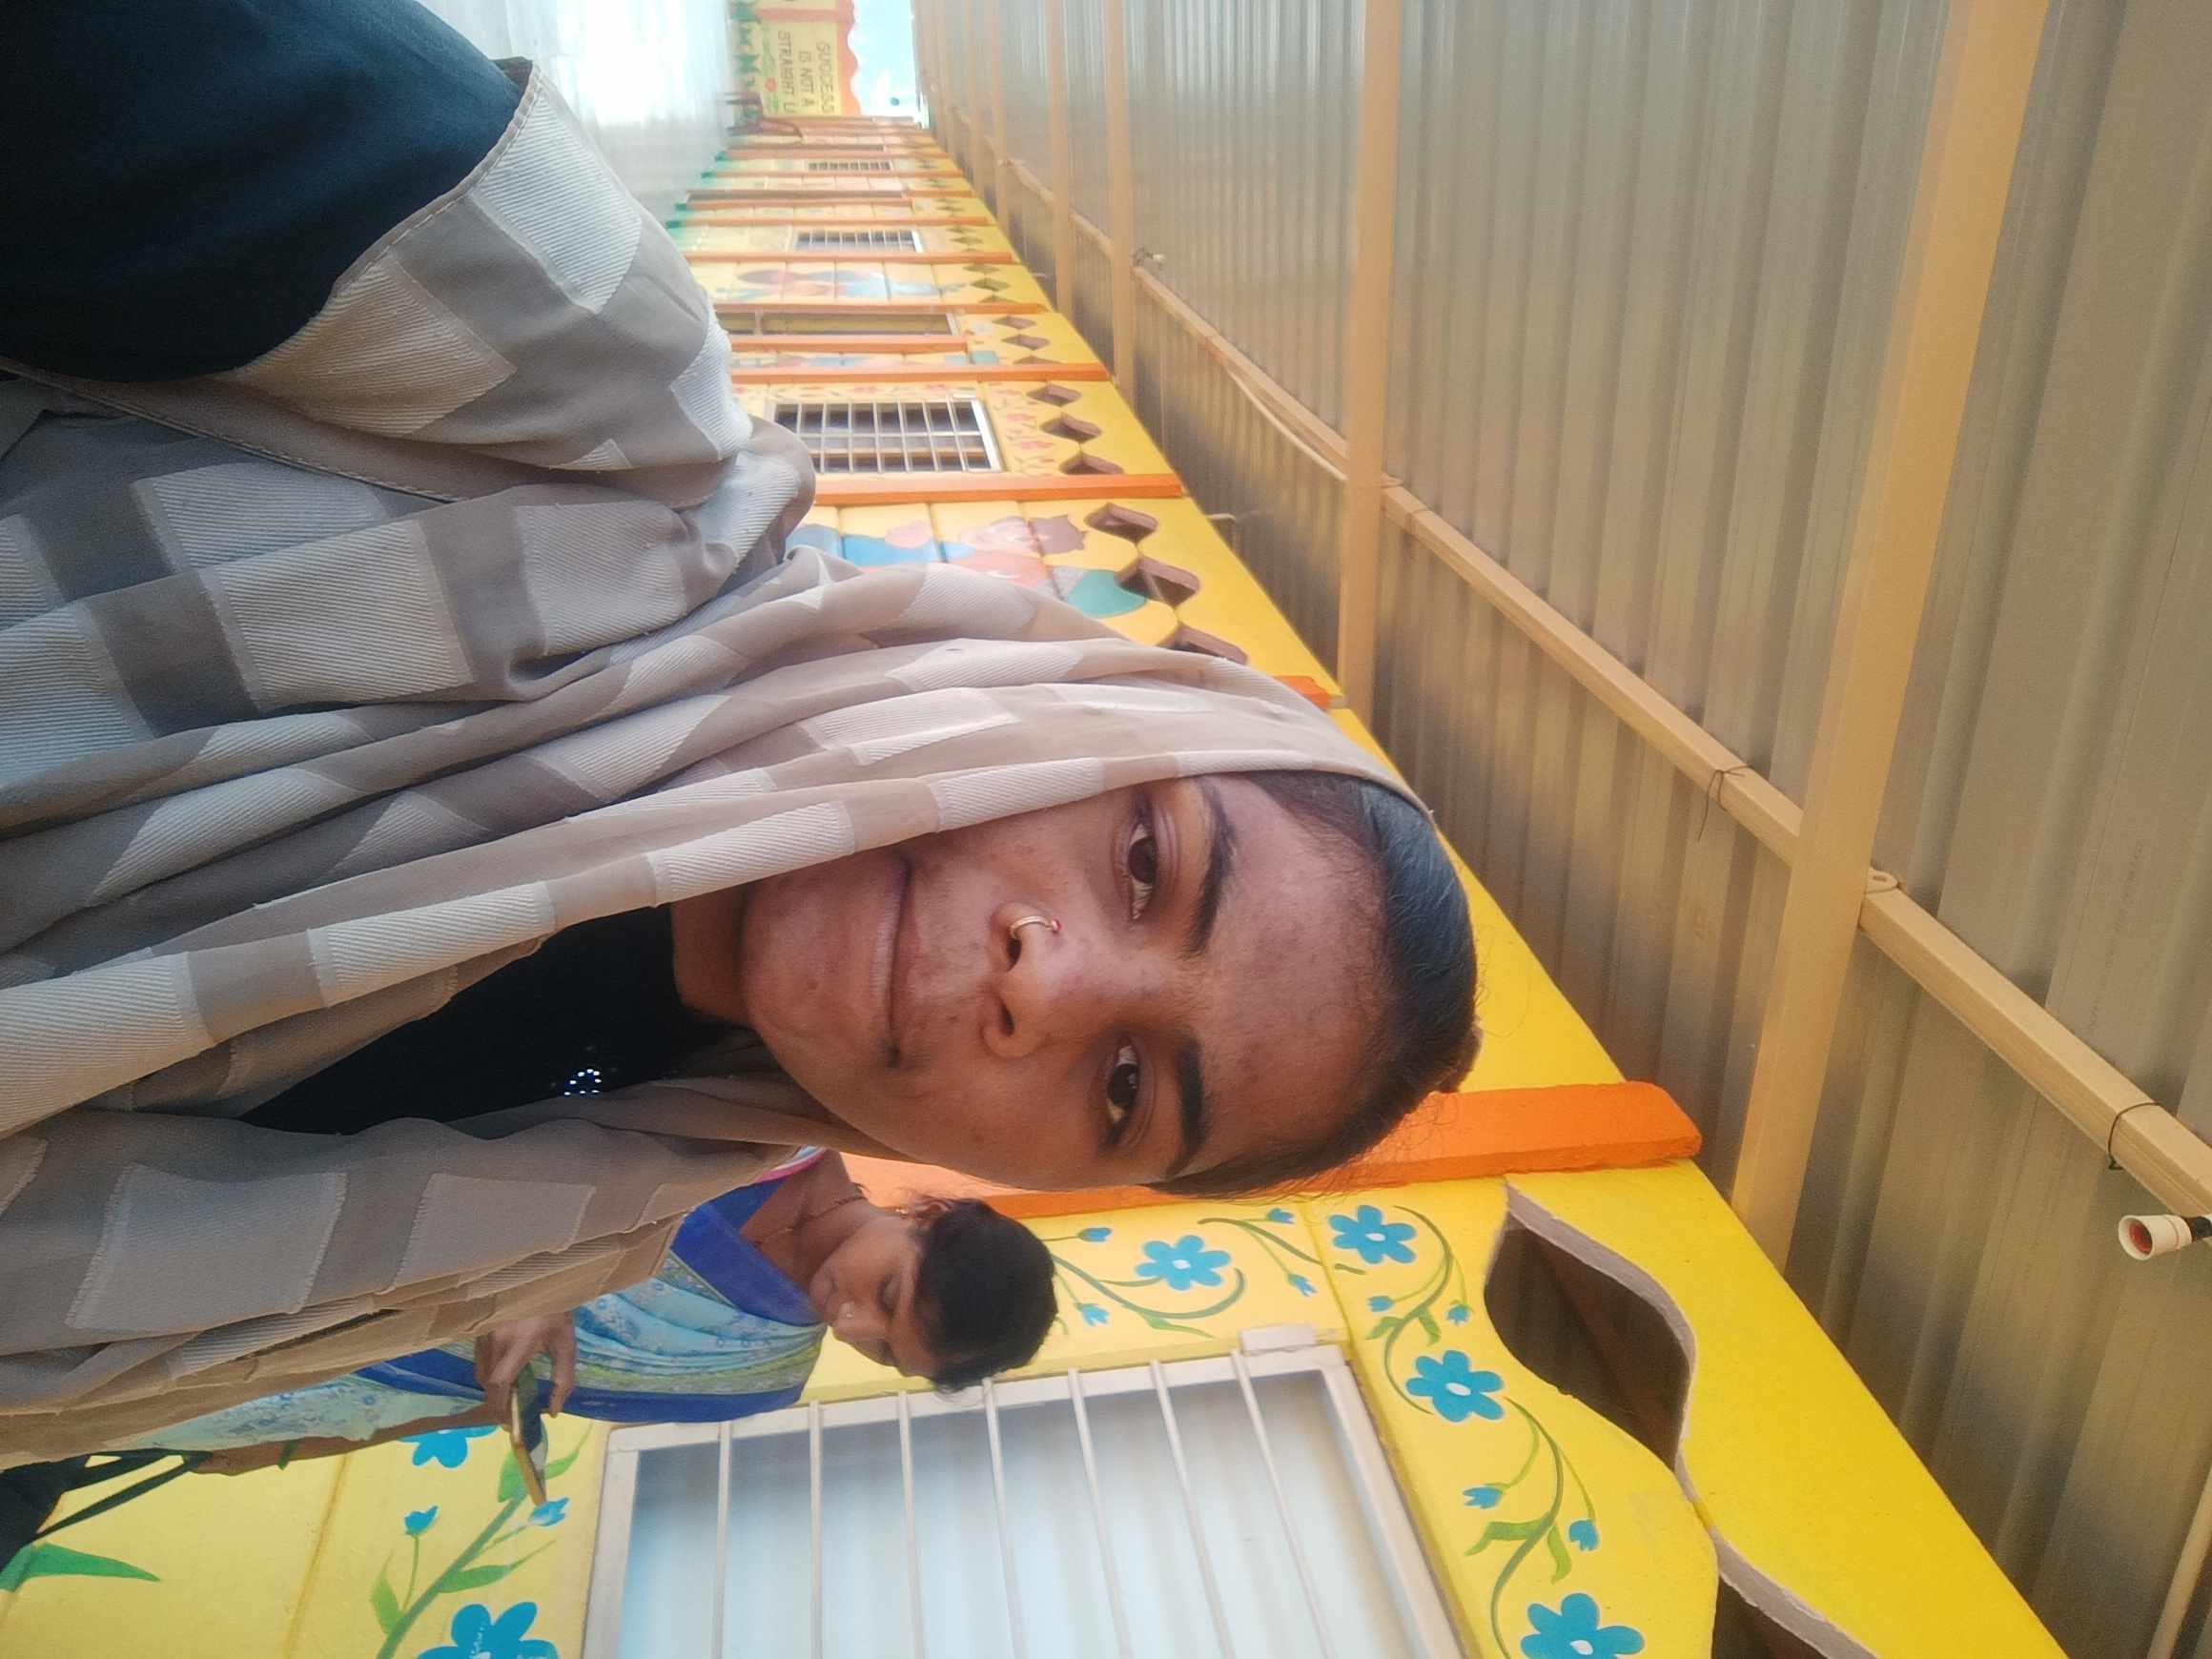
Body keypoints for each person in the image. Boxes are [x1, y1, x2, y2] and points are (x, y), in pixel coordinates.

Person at [0, 0, 1479, 1464]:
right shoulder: (580, 409)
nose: (1051, 980)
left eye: (1127, 1088)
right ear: (1096, 710)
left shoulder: (551, 1241)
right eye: (1149, 860)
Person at [132, 1152, 1056, 1463]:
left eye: (884, 1352)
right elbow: (519, 1114)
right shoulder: (763, 1134)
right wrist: (545, 1277)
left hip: (277, 1395)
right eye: (888, 1295)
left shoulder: (758, 1377)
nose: (849, 1325)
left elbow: (499, 1396)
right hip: (300, 1230)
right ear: (926, 1217)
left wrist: (300, 1443)